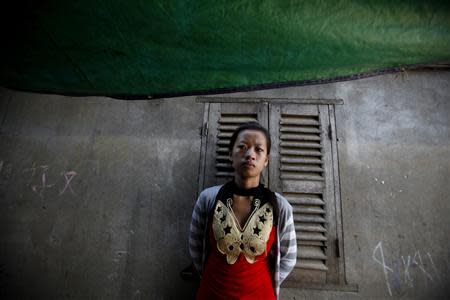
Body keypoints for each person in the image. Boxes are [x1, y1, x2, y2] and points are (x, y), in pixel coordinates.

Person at [189, 122, 297, 299]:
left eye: (258, 150)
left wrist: (258, 281)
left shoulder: (279, 205)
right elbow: (195, 247)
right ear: (230, 155)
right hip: (212, 292)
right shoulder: (208, 199)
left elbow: (289, 257)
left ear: (266, 160)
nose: (250, 155)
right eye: (242, 147)